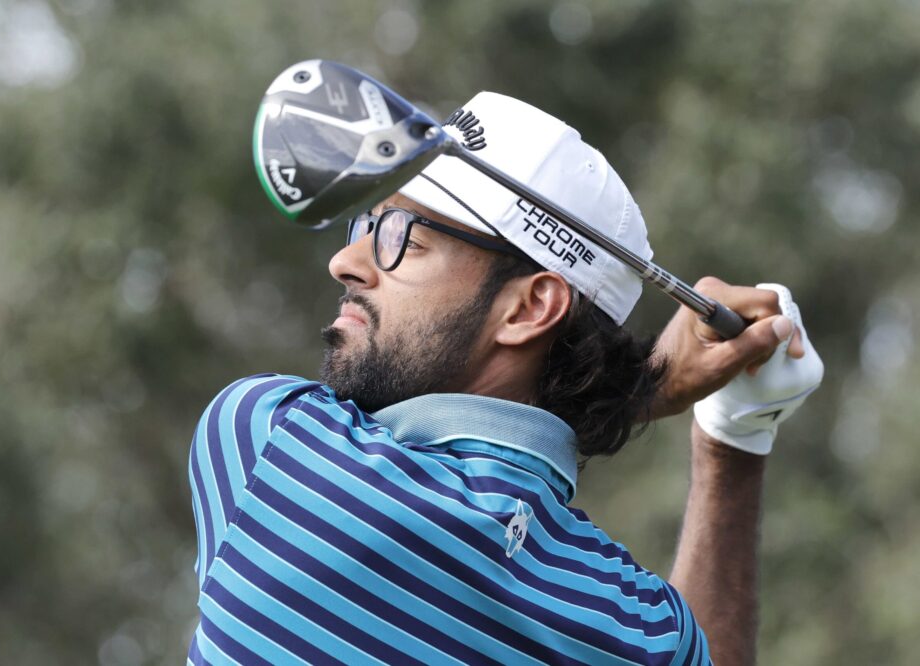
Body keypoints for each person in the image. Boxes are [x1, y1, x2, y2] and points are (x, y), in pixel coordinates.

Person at [186, 92, 823, 665]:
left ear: (528, 309)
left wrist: (646, 393)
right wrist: (734, 439)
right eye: (369, 224)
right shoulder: (638, 629)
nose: (345, 261)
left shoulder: (269, 441)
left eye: (404, 236)